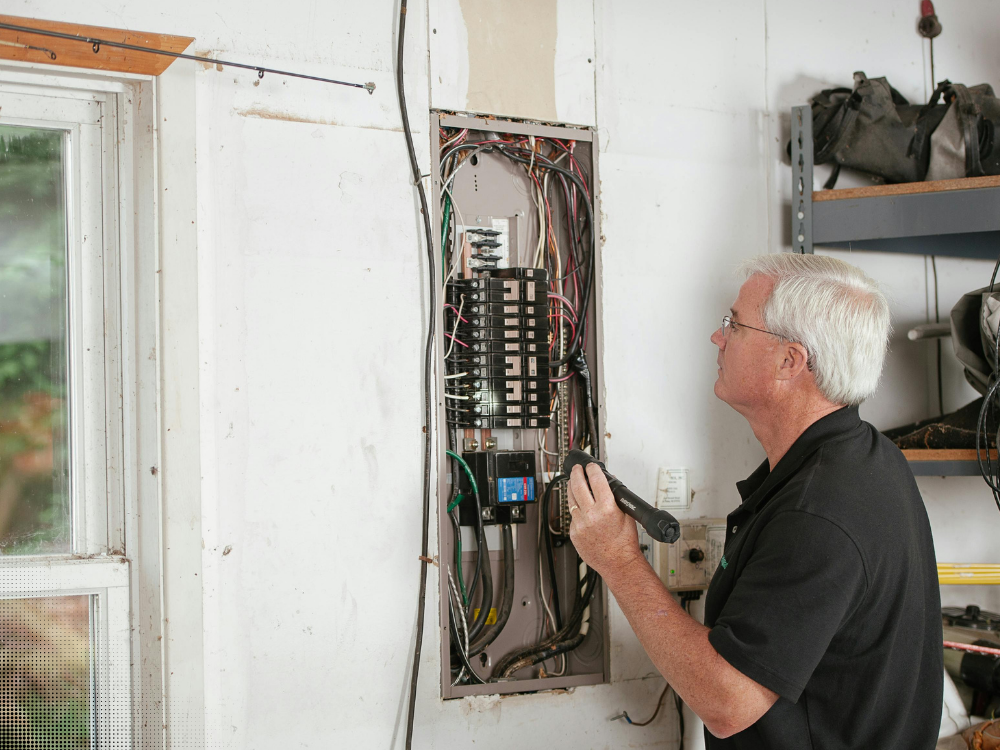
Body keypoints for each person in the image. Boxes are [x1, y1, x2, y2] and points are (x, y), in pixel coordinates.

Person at [568, 253, 943, 749]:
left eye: (735, 325)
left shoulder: (820, 513)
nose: (717, 337)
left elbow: (728, 702)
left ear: (790, 361)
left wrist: (617, 559)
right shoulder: (869, 457)